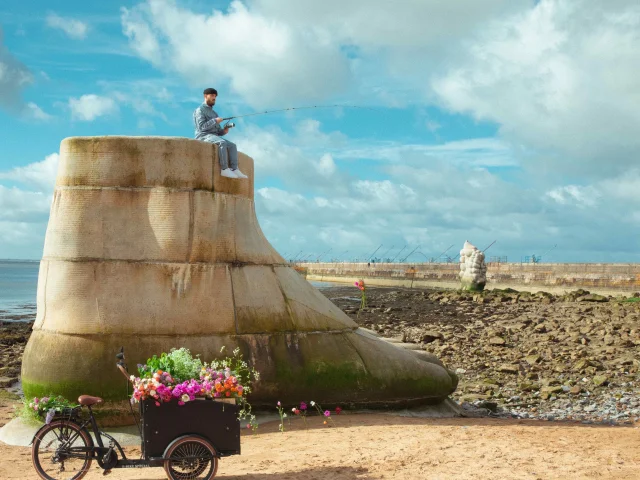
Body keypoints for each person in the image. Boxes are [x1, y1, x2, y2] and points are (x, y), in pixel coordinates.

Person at [193, 88, 248, 179]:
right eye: (212, 95)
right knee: (222, 143)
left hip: (213, 136)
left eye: (215, 96)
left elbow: (218, 132)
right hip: (203, 136)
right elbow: (201, 127)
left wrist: (224, 131)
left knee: (232, 145)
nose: (214, 98)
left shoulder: (214, 113)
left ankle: (234, 169)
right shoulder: (200, 110)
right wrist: (215, 121)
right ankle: (224, 169)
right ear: (205, 96)